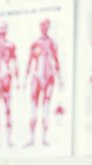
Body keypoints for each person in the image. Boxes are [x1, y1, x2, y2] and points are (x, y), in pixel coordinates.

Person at [24, 19, 62, 147]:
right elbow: (29, 62)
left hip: (49, 77)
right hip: (37, 77)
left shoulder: (52, 43)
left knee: (46, 108)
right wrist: (25, 79)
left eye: (45, 26)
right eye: (41, 26)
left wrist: (60, 78)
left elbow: (56, 62)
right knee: (33, 108)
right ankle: (31, 138)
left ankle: (44, 138)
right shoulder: (35, 43)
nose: (43, 28)